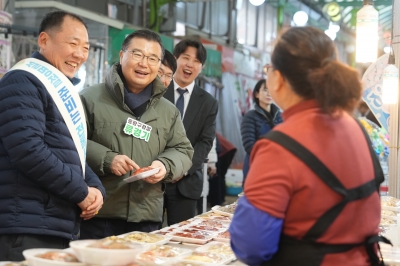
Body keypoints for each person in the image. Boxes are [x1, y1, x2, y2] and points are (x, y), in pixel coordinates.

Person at [230, 26, 387, 266]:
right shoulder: (354, 126)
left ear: (279, 78)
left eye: (268, 68)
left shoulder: (279, 145)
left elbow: (251, 245)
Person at [0, 11, 105, 261]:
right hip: (25, 224)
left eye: (85, 47)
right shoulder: (23, 81)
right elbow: (28, 150)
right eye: (72, 43)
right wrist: (81, 192)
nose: (79, 54)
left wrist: (96, 189)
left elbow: (71, 153)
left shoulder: (60, 88)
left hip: (52, 221)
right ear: (44, 40)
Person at [79, 29, 193, 238]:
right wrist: (106, 159)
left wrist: (164, 166)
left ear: (159, 65)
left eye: (152, 58)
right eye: (137, 54)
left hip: (147, 217)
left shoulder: (168, 111)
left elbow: (183, 150)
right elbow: (70, 143)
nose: (144, 64)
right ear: (122, 56)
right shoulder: (89, 98)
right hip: (98, 214)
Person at [164, 39, 218, 225]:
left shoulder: (208, 102)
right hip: (152, 180)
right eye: (185, 58)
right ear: (175, 59)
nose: (190, 64)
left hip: (185, 184)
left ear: (201, 67)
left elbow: (205, 141)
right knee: (145, 238)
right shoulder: (158, 90)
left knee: (180, 239)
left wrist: (183, 169)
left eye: (196, 61)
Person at [240, 79, 282, 184]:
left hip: (278, 168)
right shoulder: (250, 116)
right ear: (257, 94)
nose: (269, 93)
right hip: (256, 167)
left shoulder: (281, 117)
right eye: (265, 90)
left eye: (271, 90)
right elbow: (249, 145)